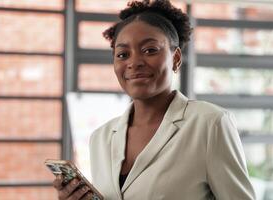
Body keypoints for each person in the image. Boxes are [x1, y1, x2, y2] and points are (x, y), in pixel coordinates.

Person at [53, 0, 256, 199]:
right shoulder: (101, 138)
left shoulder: (209, 124)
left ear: (175, 59)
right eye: (123, 54)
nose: (134, 63)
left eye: (150, 50)